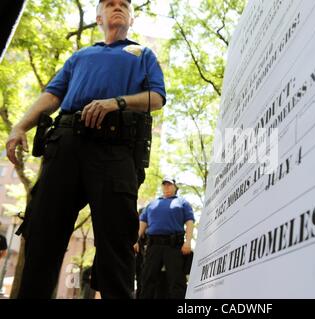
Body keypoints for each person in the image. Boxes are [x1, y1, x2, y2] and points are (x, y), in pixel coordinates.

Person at [5, 0, 166, 299]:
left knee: (117, 243)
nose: (117, 7)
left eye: (124, 5)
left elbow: (156, 97)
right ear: (98, 18)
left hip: (115, 150)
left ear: (131, 18)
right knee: (42, 238)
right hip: (64, 146)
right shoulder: (80, 56)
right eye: (110, 4)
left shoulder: (143, 54)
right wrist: (19, 127)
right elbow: (52, 95)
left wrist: (116, 102)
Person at [137, 177, 195, 299]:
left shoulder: (182, 202)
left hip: (173, 246)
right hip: (153, 246)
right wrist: (136, 240)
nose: (167, 187)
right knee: (147, 280)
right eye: (164, 184)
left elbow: (189, 221)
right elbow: (143, 222)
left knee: (176, 281)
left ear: (175, 187)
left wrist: (188, 242)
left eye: (169, 184)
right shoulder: (152, 204)